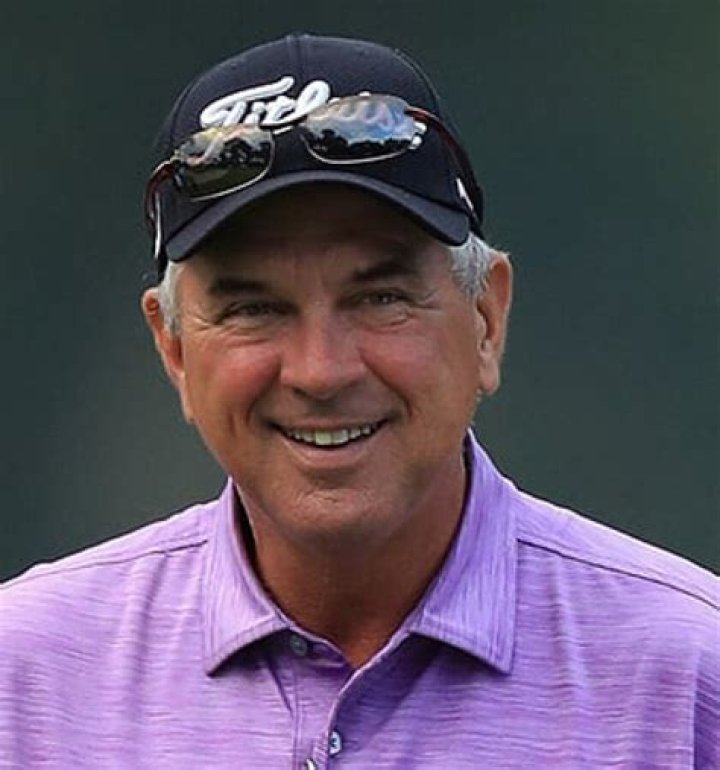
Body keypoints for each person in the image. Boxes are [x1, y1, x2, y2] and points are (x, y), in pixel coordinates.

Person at [0, 32, 717, 769]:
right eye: (254, 309)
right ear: (175, 349)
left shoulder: (689, 682)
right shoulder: (25, 685)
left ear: (486, 321)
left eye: (381, 298)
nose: (321, 371)